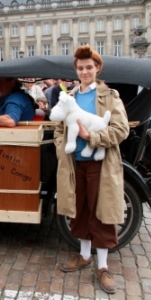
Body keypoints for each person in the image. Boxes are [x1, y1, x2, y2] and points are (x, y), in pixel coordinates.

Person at [54, 45, 129, 294]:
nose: (85, 71)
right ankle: (84, 256)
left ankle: (103, 266)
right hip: (75, 165)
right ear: (76, 70)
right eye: (80, 68)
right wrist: (61, 147)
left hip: (100, 165)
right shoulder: (71, 95)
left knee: (102, 212)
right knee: (80, 210)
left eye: (89, 67)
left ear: (97, 68)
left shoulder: (109, 96)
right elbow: (59, 129)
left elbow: (121, 129)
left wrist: (92, 137)